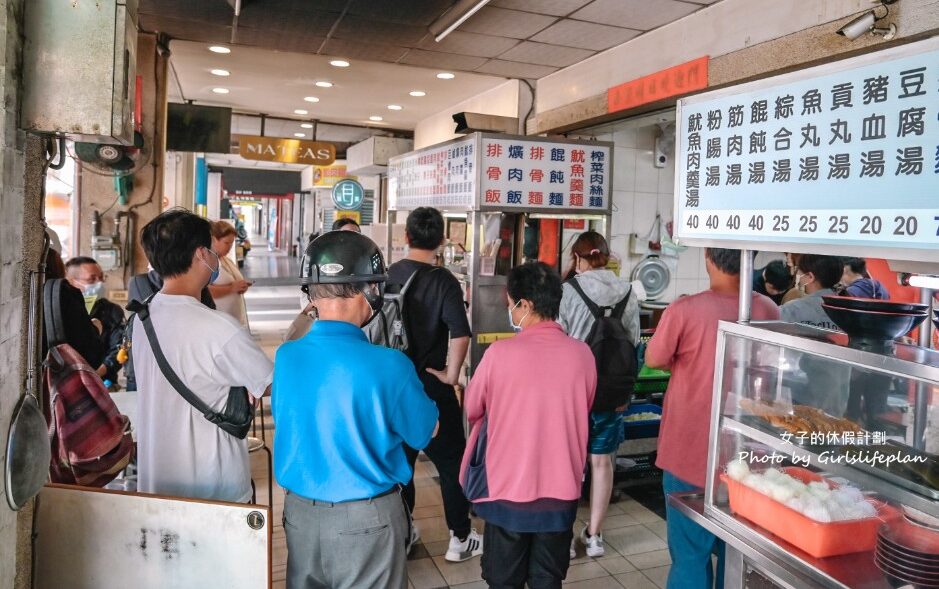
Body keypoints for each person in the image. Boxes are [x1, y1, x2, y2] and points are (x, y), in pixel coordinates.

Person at [273, 231, 438, 589]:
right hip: (368, 519)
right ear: (365, 289)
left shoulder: (287, 357)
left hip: (300, 515)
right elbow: (425, 431)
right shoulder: (389, 365)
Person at [645, 248, 779, 589]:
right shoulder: (767, 308)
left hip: (688, 451)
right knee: (736, 556)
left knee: (690, 555)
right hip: (747, 456)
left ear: (708, 256)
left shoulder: (685, 310)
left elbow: (655, 357)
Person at [461, 262, 596, 588]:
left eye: (511, 304)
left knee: (503, 580)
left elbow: (472, 408)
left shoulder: (499, 354)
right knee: (547, 581)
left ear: (526, 305)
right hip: (560, 495)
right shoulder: (583, 355)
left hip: (506, 491)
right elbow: (584, 406)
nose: (510, 309)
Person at [132, 209, 273, 502]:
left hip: (157, 484)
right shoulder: (218, 328)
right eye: (211, 249)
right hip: (215, 490)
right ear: (201, 255)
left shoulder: (144, 316)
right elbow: (270, 382)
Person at [387, 206, 479, 561]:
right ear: (441, 239)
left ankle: (405, 532)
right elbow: (460, 332)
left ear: (406, 237)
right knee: (452, 463)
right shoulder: (443, 281)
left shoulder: (388, 276)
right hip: (432, 389)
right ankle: (460, 538)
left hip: (395, 387)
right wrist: (451, 375)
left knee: (400, 464)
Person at [556, 231, 639, 559]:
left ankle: (563, 537)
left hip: (573, 394)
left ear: (578, 258)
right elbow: (633, 345)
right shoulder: (629, 292)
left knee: (569, 465)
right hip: (612, 393)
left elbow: (557, 342)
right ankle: (594, 536)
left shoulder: (567, 291)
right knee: (602, 462)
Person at [65, 256, 126, 384]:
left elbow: (120, 346)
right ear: (72, 281)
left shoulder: (112, 310)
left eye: (101, 277)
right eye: (92, 279)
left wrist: (98, 373)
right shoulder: (62, 310)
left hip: (104, 383)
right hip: (68, 383)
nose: (99, 283)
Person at [779, 254, 844, 331]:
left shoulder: (791, 309)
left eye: (799, 270)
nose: (797, 274)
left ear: (810, 277)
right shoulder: (847, 312)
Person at [207, 220, 251, 325]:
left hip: (235, 318)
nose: (229, 247)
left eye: (232, 243)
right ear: (214, 240)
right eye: (226, 243)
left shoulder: (227, 260)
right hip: (220, 321)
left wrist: (241, 286)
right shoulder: (208, 263)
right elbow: (205, 290)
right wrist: (231, 288)